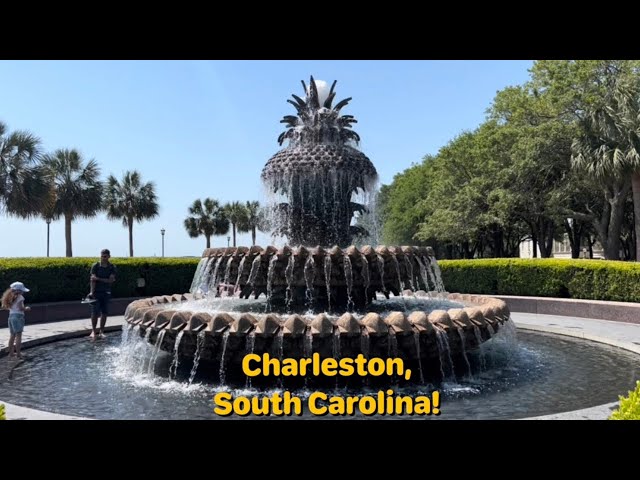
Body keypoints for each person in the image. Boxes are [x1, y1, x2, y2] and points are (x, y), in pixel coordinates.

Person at [86, 248, 116, 340]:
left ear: (109, 256)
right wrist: (91, 291)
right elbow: (92, 279)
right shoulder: (95, 266)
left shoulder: (112, 267)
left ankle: (102, 331)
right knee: (95, 312)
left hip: (106, 292)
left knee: (104, 312)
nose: (103, 258)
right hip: (96, 293)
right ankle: (93, 331)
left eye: (105, 256)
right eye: (102, 256)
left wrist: (98, 279)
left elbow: (111, 280)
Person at [1, 281, 31, 359]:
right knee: (18, 336)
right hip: (18, 317)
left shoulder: (9, 297)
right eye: (22, 291)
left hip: (11, 317)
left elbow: (8, 308)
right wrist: (26, 309)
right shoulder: (20, 297)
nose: (23, 292)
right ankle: (18, 354)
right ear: (19, 290)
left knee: (12, 335)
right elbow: (20, 308)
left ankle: (11, 353)